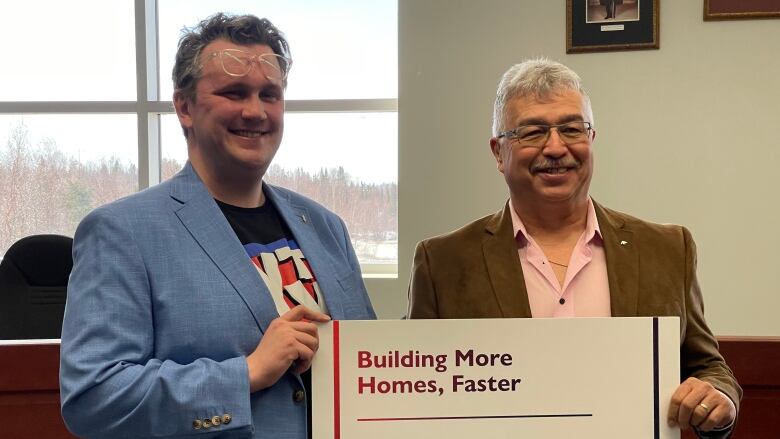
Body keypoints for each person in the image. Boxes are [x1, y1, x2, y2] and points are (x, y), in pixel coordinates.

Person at [60, 13, 375, 439]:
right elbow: (94, 398)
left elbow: (369, 365)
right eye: (233, 92)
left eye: (270, 94)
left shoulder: (325, 226)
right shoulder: (122, 232)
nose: (255, 111)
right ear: (184, 107)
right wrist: (245, 373)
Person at [407, 58, 740, 437]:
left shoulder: (667, 249)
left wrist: (719, 398)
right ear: (498, 152)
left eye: (571, 128)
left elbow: (708, 367)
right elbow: (421, 393)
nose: (555, 147)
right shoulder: (443, 264)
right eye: (532, 132)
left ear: (591, 140)